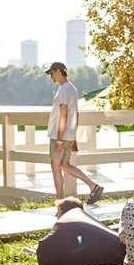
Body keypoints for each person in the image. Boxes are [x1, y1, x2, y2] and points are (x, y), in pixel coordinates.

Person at [45, 62, 103, 204]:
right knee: (65, 165)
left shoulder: (63, 90)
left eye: (51, 73)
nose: (51, 77)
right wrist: (74, 137)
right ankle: (93, 186)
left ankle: (60, 200)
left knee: (56, 167)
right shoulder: (73, 88)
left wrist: (59, 140)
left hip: (60, 135)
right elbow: (76, 115)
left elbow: (64, 115)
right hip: (69, 134)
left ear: (58, 71)